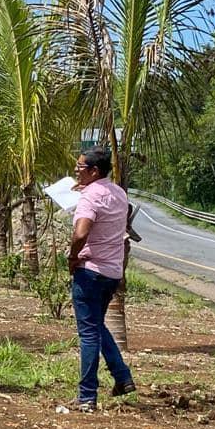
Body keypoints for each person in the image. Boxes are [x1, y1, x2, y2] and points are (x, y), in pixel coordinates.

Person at [67, 146, 136, 412]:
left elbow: (81, 233)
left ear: (94, 171)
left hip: (90, 271)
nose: (76, 171)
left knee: (88, 334)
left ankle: (87, 395)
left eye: (80, 168)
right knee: (96, 326)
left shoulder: (90, 197)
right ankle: (122, 376)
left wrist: (73, 256)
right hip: (112, 273)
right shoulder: (119, 193)